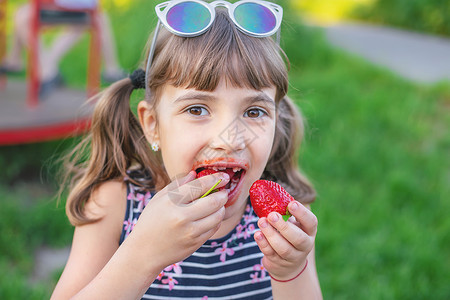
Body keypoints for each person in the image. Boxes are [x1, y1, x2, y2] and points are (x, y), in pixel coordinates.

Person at [51, 0, 322, 299]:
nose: (229, 140)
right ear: (153, 124)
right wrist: (142, 256)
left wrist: (289, 272)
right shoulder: (115, 205)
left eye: (254, 112)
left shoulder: (283, 216)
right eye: (197, 109)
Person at [0, 0, 125, 96]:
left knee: (22, 16)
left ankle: (46, 70)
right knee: (21, 14)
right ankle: (44, 66)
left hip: (72, 4)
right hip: (83, 4)